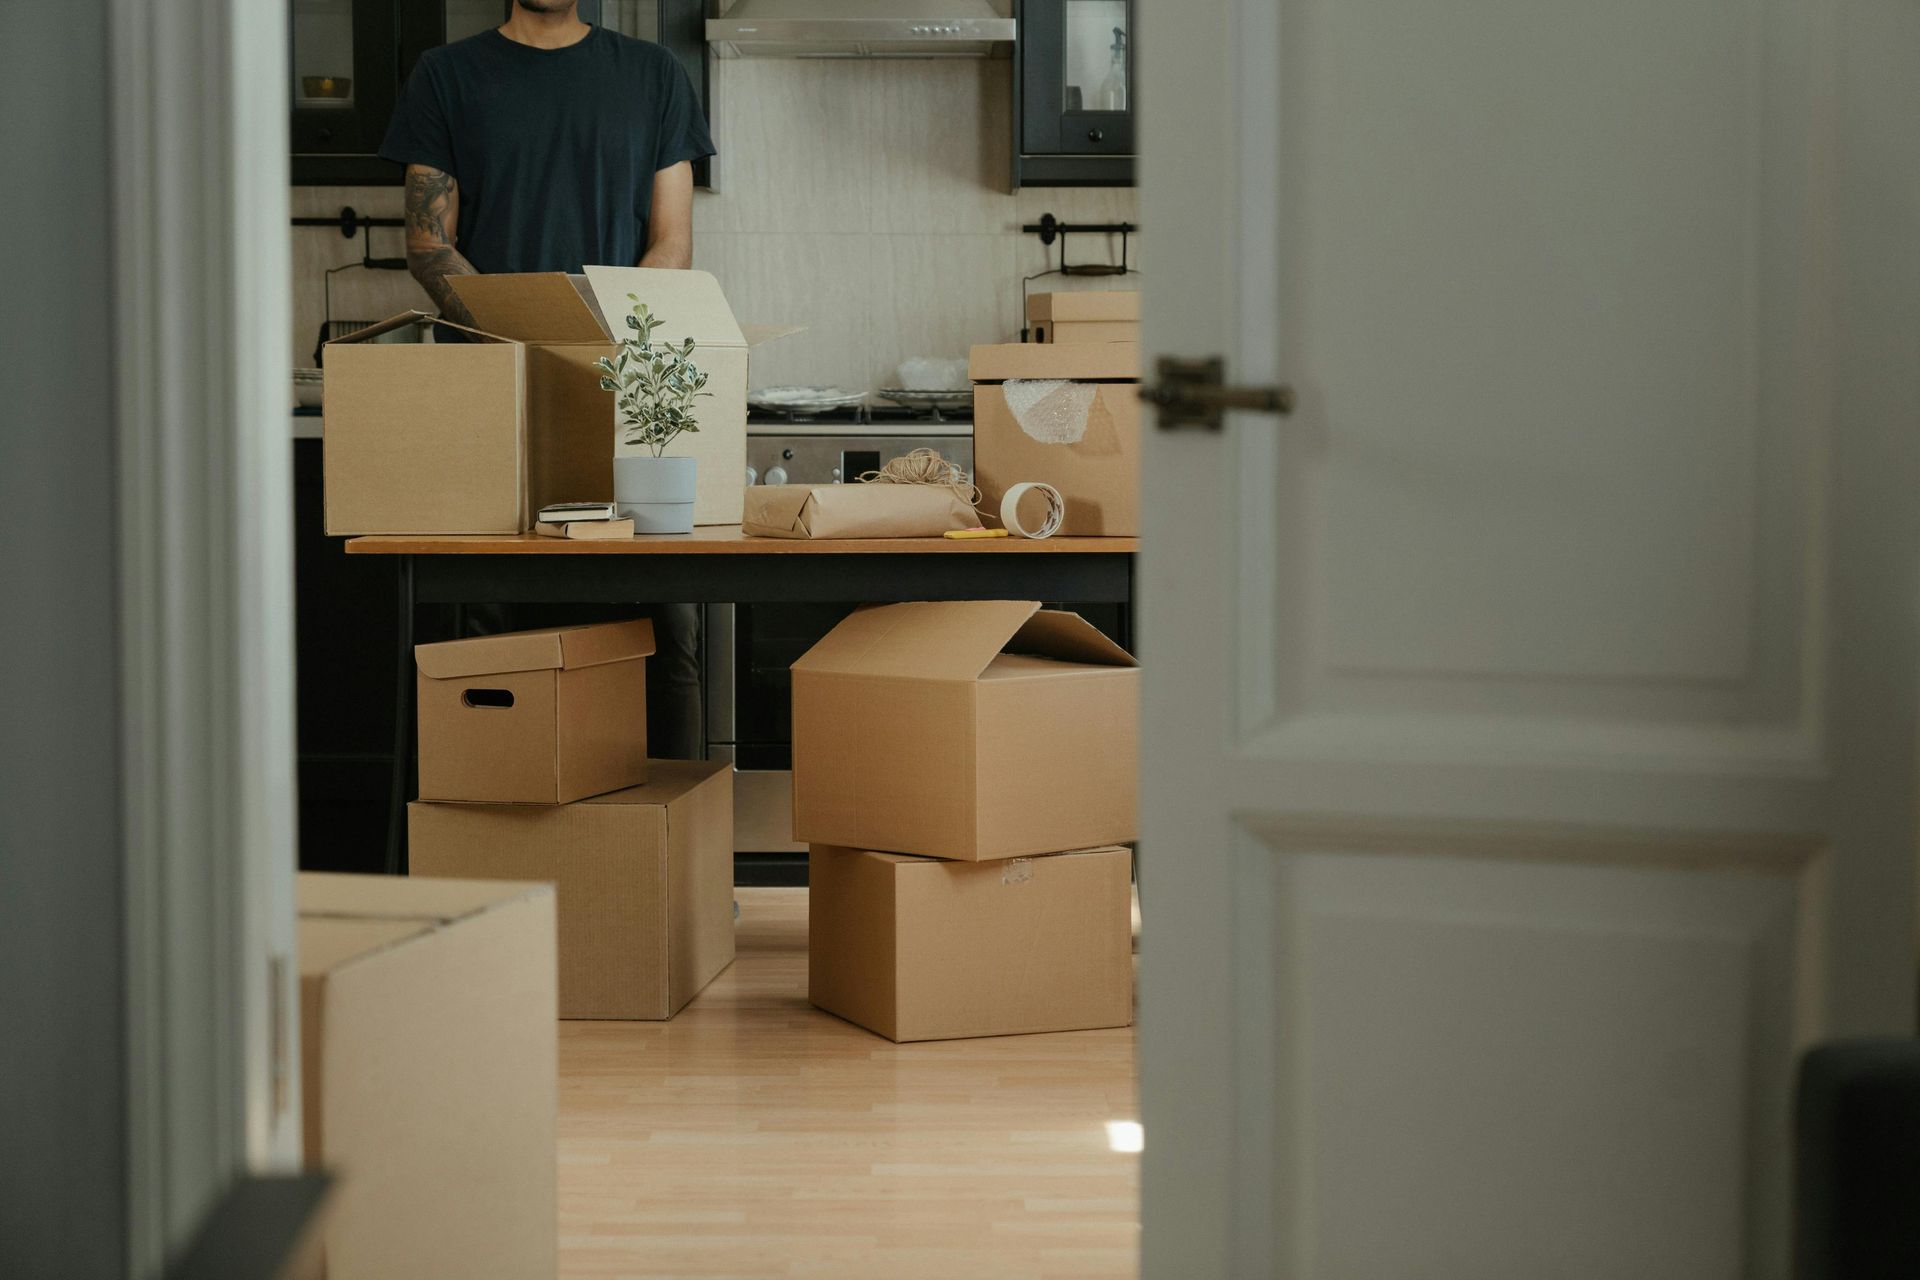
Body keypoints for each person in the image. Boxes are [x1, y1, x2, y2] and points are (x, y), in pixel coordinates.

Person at [380, 0, 715, 759]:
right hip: (495, 396)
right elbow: (431, 247)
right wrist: (526, 330)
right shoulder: (446, 75)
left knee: (664, 629)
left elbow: (672, 243)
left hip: (626, 390)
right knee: (493, 626)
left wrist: (596, 336)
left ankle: (668, 848)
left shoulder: (654, 74)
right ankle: (497, 834)